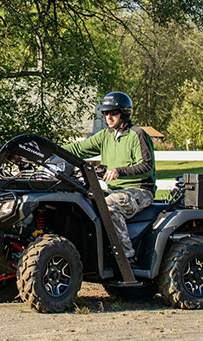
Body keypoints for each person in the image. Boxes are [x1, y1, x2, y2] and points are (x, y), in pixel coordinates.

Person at [63, 91, 156, 263]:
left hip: (139, 191)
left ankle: (126, 257)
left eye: (113, 113)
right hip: (112, 189)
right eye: (105, 113)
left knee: (110, 205)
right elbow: (78, 149)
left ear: (124, 113)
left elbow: (146, 166)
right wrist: (51, 150)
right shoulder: (106, 135)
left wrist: (119, 171)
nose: (109, 117)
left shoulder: (137, 135)